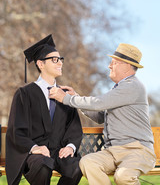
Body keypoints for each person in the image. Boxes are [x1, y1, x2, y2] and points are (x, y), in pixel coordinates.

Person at [49, 43, 156, 185]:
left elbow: (99, 103)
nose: (109, 66)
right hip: (113, 152)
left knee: (123, 176)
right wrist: (76, 96)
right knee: (88, 162)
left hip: (137, 150)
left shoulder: (132, 86)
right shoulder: (118, 89)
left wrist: (66, 98)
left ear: (127, 66)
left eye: (114, 63)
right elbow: (100, 116)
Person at [5, 34, 83, 185]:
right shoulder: (25, 93)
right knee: (42, 165)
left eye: (60, 59)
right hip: (35, 154)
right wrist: (34, 148)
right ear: (40, 64)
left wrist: (70, 147)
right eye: (54, 59)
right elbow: (17, 131)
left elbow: (74, 129)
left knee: (77, 167)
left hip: (59, 152)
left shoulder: (65, 95)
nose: (60, 63)